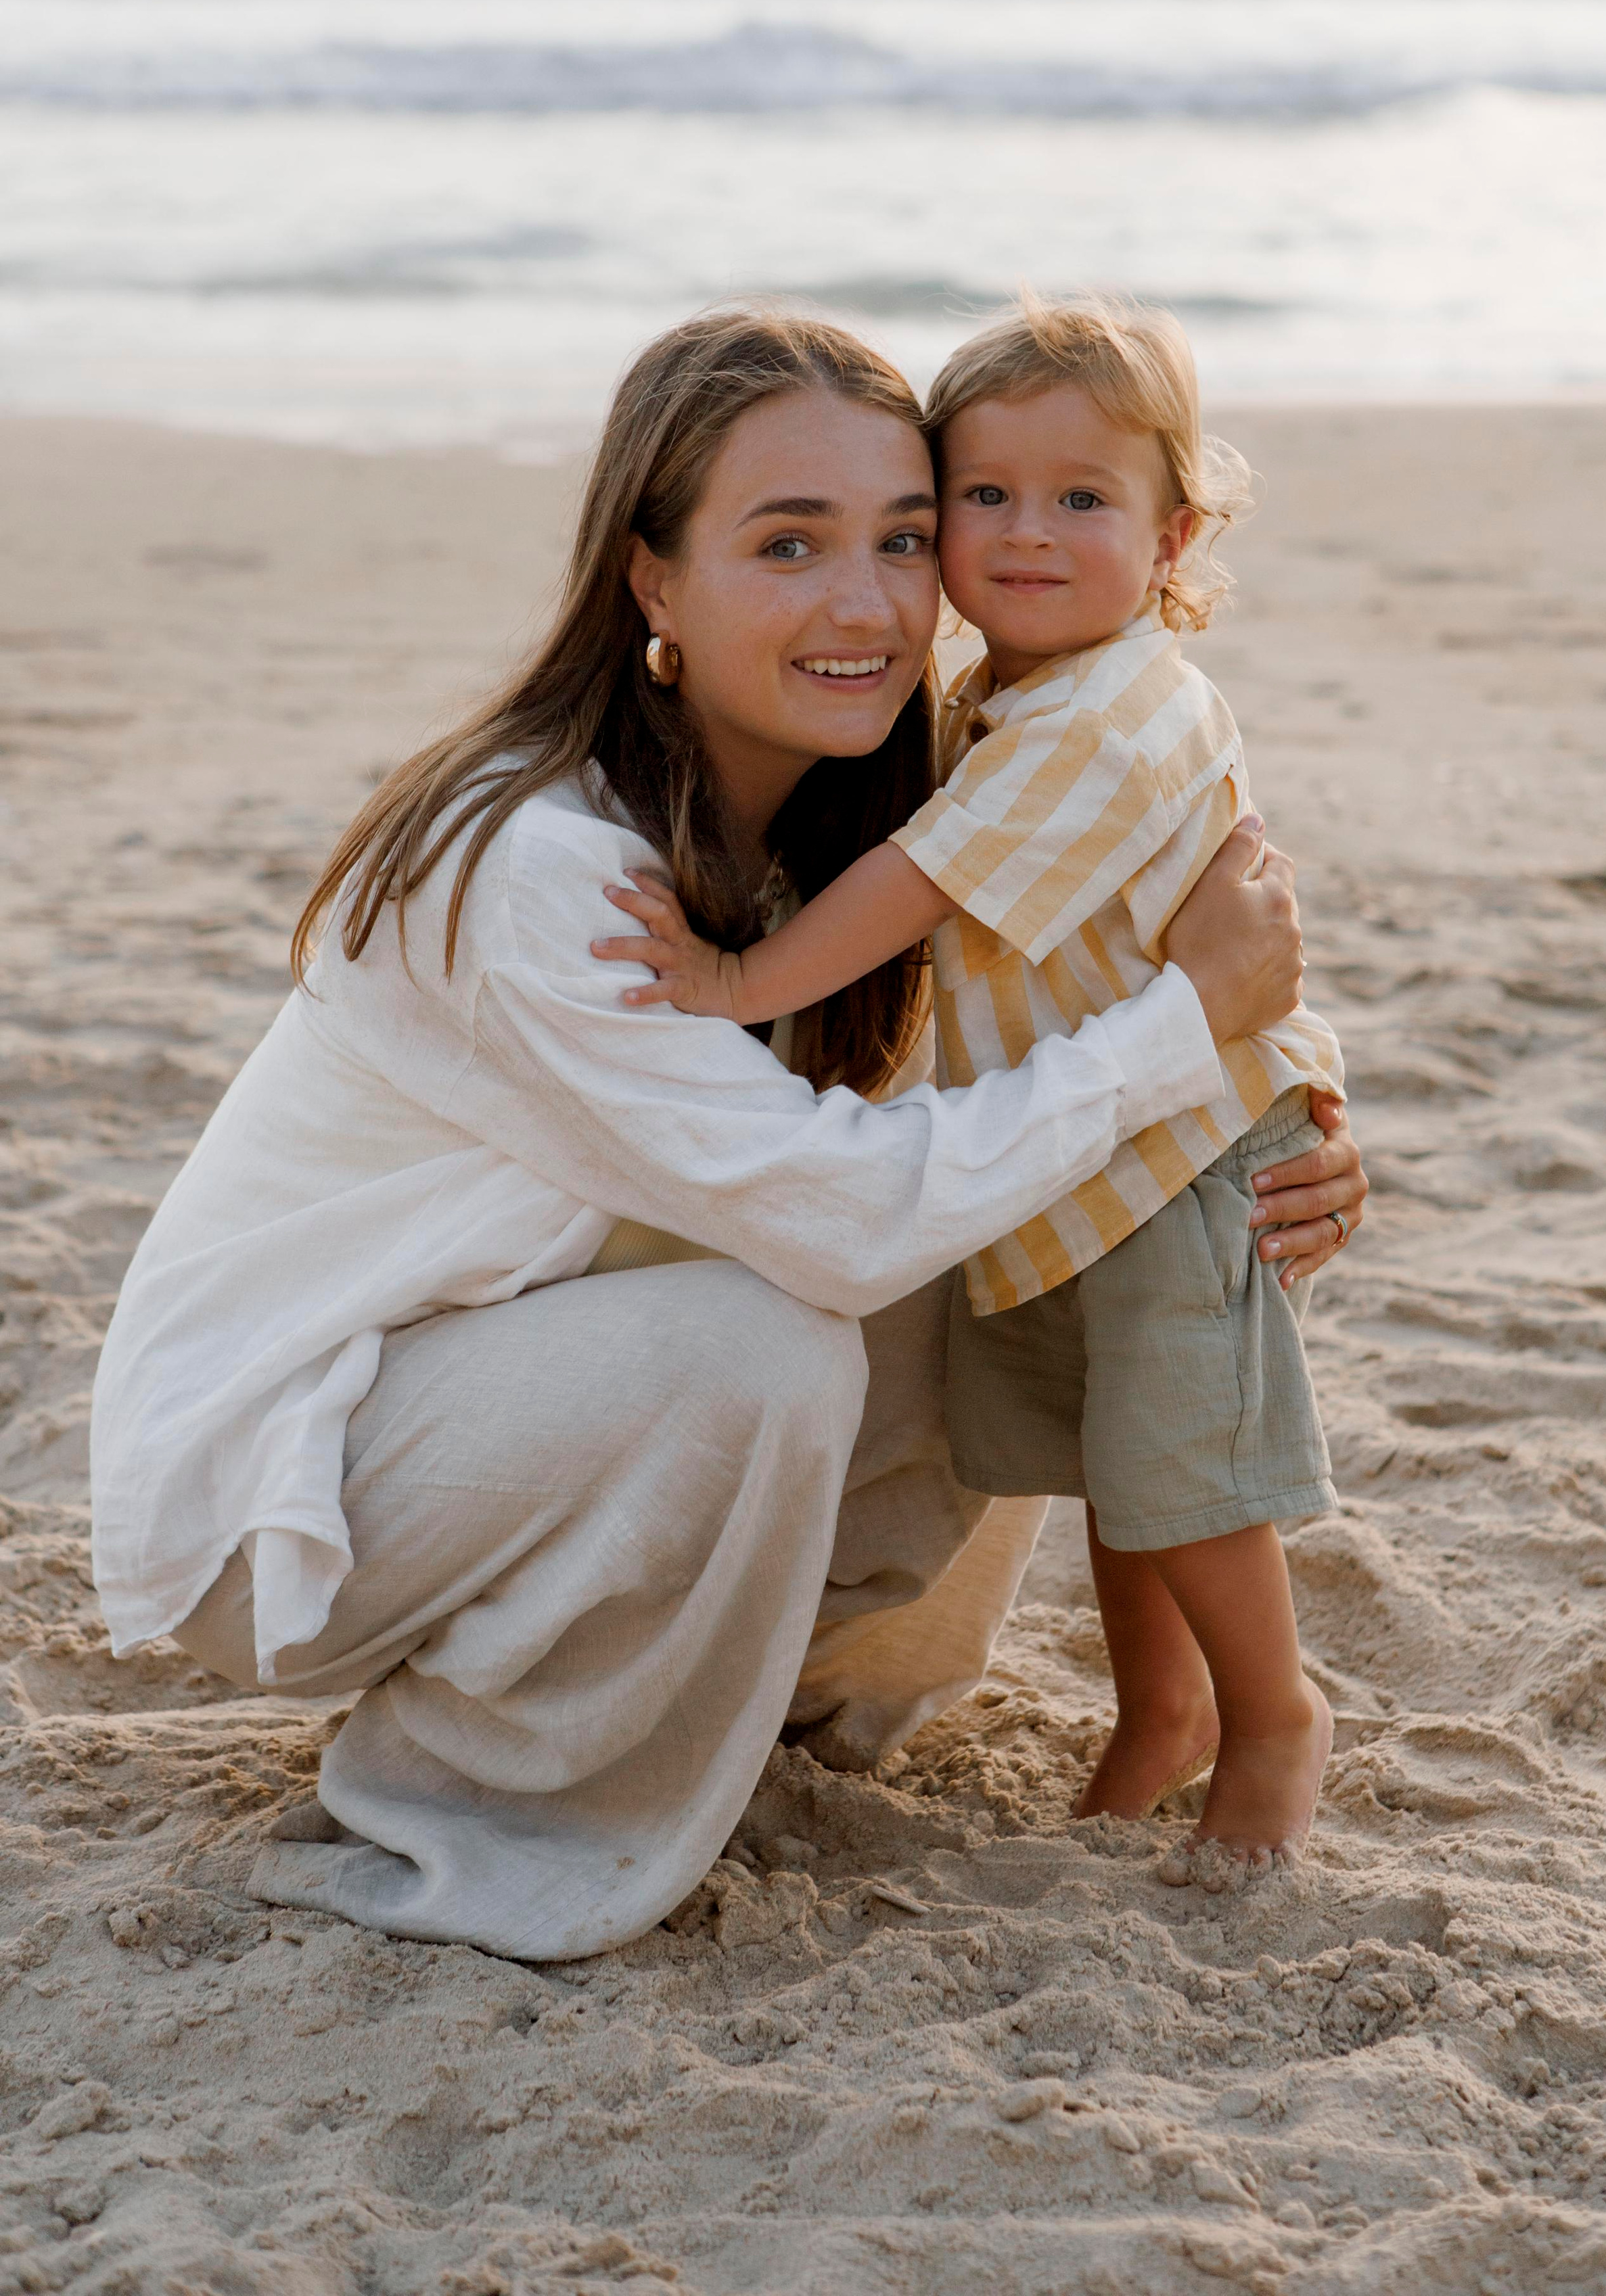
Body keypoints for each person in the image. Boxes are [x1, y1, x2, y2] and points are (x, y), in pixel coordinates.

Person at [89, 306, 1365, 1961]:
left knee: (1013, 1251)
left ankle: (775, 1689)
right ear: (651, 582)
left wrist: (1270, 1122)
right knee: (767, 1335)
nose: (864, 603)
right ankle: (499, 1794)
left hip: (509, 1393)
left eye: (905, 538)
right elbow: (850, 1218)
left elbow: (1119, 985)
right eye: (787, 543)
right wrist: (1181, 1038)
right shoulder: (539, 868)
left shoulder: (861, 836)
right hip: (291, 1488)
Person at [593, 297, 1346, 1885]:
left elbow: (916, 885)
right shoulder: (1028, 698)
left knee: (1186, 1473)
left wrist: (735, 983)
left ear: (1170, 535)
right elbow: (1222, 897)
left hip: (1167, 1155)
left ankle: (1271, 1715)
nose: (1022, 533)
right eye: (980, 499)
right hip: (1097, 1147)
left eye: (1081, 500)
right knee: (1122, 1465)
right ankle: (1161, 1714)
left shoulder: (1099, 717)